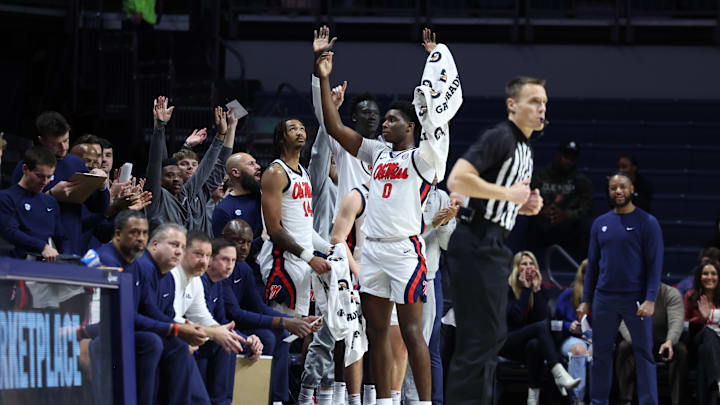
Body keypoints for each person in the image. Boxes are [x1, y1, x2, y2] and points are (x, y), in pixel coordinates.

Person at [315, 27, 462, 405]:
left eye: (393, 120)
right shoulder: (377, 154)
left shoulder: (423, 159)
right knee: (375, 334)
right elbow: (334, 127)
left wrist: (435, 58)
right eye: (385, 120)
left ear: (410, 127)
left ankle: (425, 402)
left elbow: (436, 116)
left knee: (414, 335)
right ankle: (383, 401)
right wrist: (323, 73)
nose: (385, 124)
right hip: (373, 252)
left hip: (404, 252)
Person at [444, 75, 545, 404]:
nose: (541, 108)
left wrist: (523, 207)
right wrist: (509, 194)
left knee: (491, 337)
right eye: (534, 101)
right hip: (475, 241)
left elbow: (500, 199)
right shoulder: (501, 136)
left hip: (493, 242)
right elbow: (457, 178)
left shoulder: (525, 148)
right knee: (479, 339)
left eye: (544, 103)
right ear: (512, 105)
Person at [305, 25, 383, 405]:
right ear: (353, 117)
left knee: (378, 331)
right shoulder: (351, 146)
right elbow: (326, 121)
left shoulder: (392, 152)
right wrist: (321, 71)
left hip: (384, 248)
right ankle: (338, 395)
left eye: (375, 114)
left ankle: (376, 396)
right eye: (363, 114)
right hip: (346, 246)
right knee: (343, 330)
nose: (369, 119)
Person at [577, 172, 663, 405]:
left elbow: (655, 265)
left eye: (622, 187)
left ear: (631, 188)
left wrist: (651, 298)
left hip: (636, 299)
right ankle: (598, 401)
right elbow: (592, 265)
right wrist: (586, 299)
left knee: (644, 354)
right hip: (604, 299)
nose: (618, 191)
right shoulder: (600, 224)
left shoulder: (648, 223)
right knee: (601, 355)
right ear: (608, 191)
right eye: (613, 188)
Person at [221, 219, 321, 405]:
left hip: (238, 326)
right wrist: (284, 322)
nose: (244, 248)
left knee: (280, 335)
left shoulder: (244, 268)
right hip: (223, 327)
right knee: (269, 336)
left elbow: (258, 307)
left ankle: (277, 399)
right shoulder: (219, 268)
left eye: (248, 242)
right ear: (223, 239)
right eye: (239, 241)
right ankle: (251, 397)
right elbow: (234, 313)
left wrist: (299, 320)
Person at [130, 222, 209, 405]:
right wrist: (176, 329)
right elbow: (138, 314)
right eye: (174, 245)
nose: (179, 251)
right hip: (126, 331)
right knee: (158, 342)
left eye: (182, 247)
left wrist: (182, 329)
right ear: (155, 244)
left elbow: (164, 315)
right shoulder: (141, 267)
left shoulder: (167, 277)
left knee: (178, 344)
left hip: (149, 331)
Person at [11, 111, 110, 256]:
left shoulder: (76, 164)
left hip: (70, 245)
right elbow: (14, 213)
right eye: (57, 144)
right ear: (42, 140)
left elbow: (98, 208)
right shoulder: (26, 168)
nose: (63, 147)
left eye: (66, 140)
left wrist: (102, 186)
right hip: (35, 249)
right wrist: (51, 195)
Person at [402, 179, 458, 404]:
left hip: (430, 276)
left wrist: (444, 223)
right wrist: (433, 223)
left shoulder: (441, 197)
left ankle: (432, 400)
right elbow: (404, 235)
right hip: (403, 274)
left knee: (429, 345)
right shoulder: (404, 190)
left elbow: (447, 245)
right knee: (406, 342)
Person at [145, 96, 235, 234]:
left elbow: (215, 165)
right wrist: (159, 126)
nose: (176, 178)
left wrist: (223, 133)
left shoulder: (191, 192)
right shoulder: (158, 196)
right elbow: (156, 163)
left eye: (194, 164)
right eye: (170, 175)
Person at [500, 251, 580, 404]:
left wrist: (535, 292)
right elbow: (515, 318)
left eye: (531, 264)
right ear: (517, 267)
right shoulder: (507, 288)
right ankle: (559, 374)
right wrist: (525, 291)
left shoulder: (541, 290)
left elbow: (544, 321)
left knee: (535, 345)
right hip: (507, 342)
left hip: (526, 346)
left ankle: (533, 398)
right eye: (524, 264)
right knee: (537, 330)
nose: (528, 268)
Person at [190, 237, 263, 405]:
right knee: (223, 344)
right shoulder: (200, 281)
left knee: (231, 343)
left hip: (210, 337)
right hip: (195, 338)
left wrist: (248, 339)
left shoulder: (218, 283)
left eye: (233, 260)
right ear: (210, 260)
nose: (230, 265)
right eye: (225, 259)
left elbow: (222, 321)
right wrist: (234, 337)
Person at [616, 283, 687, 405]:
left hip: (663, 344)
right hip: (638, 343)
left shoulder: (671, 293)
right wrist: (635, 341)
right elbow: (623, 321)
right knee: (624, 347)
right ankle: (625, 400)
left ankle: (677, 401)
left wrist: (670, 341)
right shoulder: (629, 293)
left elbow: (676, 321)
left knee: (681, 351)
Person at [528, 141, 593, 262]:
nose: (568, 161)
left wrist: (566, 215)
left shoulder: (581, 181)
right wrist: (542, 212)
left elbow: (587, 208)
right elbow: (527, 200)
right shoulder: (540, 176)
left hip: (569, 225)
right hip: (543, 221)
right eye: (565, 156)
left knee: (586, 226)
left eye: (572, 158)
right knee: (528, 223)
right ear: (558, 155)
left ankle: (581, 269)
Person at [0, 146, 65, 260]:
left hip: (45, 265)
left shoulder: (50, 202)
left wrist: (69, 257)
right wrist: (42, 247)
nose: (44, 182)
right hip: (16, 264)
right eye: (39, 176)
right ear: (25, 169)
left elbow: (61, 237)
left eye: (49, 177)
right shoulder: (6, 198)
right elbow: (10, 231)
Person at [554, 259, 592, 405]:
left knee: (600, 351)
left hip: (596, 339)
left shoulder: (603, 296)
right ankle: (577, 400)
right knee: (578, 349)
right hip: (572, 338)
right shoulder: (568, 295)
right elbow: (554, 323)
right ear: (582, 275)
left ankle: (598, 400)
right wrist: (568, 325)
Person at [684, 260, 720, 404]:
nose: (709, 277)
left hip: (711, 347)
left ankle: (715, 387)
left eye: (713, 274)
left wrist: (710, 318)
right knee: (707, 333)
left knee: (705, 354)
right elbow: (684, 324)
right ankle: (718, 381)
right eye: (705, 273)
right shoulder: (691, 296)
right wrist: (703, 320)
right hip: (697, 339)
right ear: (700, 277)